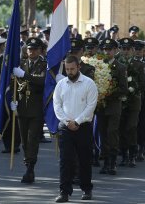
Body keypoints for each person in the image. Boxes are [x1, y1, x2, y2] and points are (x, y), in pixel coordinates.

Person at [53, 55, 98, 203]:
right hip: (65, 127)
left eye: (72, 69)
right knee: (65, 160)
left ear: (79, 67)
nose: (70, 72)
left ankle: (86, 189)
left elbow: (91, 107)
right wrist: (67, 121)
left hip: (83, 127)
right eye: (67, 69)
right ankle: (64, 192)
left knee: (84, 159)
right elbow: (57, 105)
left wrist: (77, 122)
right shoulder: (61, 84)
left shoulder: (89, 83)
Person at [12, 37, 47, 183]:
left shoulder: (43, 65)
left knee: (32, 139)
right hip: (22, 107)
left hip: (36, 108)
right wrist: (12, 99)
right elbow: (13, 83)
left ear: (39, 50)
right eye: (29, 49)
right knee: (24, 141)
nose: (31, 51)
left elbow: (42, 81)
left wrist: (24, 75)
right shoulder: (21, 63)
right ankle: (28, 164)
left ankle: (30, 168)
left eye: (33, 49)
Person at [97, 38, 128, 175]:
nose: (107, 52)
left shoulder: (120, 67)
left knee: (112, 132)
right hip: (101, 106)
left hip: (114, 105)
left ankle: (113, 161)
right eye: (105, 49)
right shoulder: (98, 65)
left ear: (115, 51)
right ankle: (105, 162)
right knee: (103, 133)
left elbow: (124, 88)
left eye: (110, 49)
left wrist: (108, 92)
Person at [117, 38, 145, 167]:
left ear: (132, 50)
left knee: (131, 127)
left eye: (128, 49)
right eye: (123, 48)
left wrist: (133, 90)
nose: (125, 51)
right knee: (121, 128)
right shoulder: (116, 64)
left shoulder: (138, 65)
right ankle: (124, 155)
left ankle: (132, 154)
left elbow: (144, 84)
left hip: (134, 101)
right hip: (120, 101)